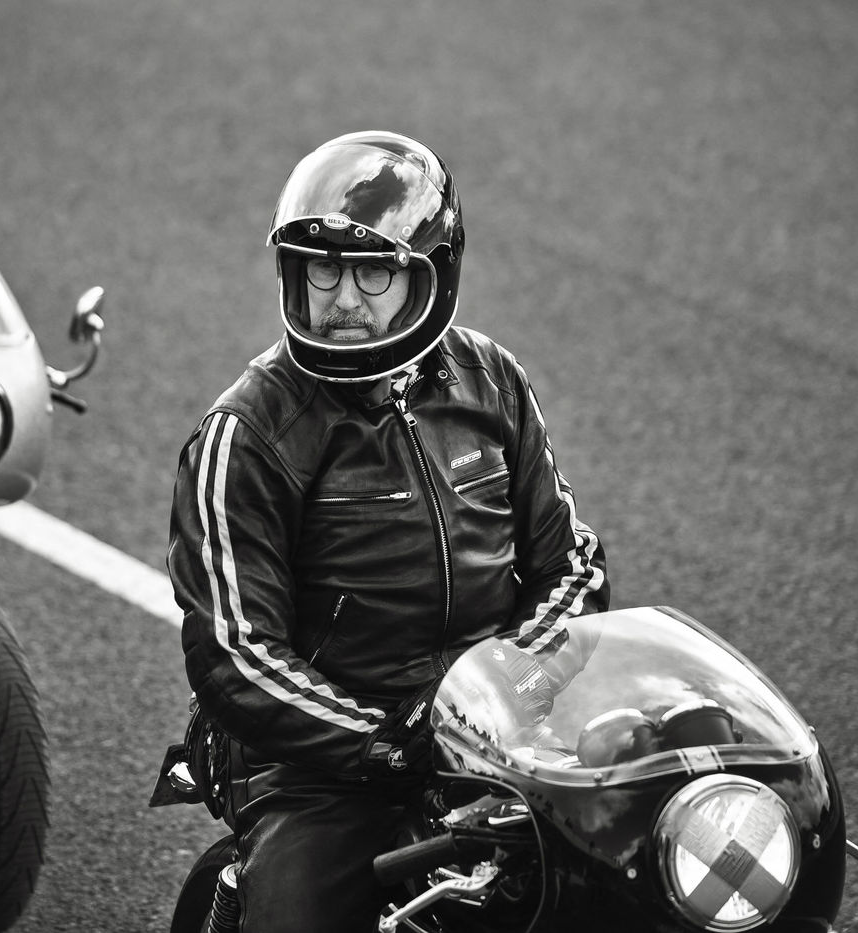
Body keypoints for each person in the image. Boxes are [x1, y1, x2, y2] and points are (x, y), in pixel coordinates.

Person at [167, 131, 611, 932]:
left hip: (501, 731)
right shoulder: (249, 432)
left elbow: (573, 565)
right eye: (321, 269)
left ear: (428, 277)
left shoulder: (491, 381)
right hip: (324, 768)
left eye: (373, 271)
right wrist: (383, 741)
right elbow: (233, 651)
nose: (342, 297)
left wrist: (509, 685)